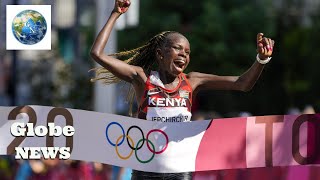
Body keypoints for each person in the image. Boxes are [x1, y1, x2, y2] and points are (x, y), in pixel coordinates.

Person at [90, 0, 275, 179]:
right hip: (145, 169)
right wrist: (115, 13)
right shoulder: (142, 78)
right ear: (160, 54)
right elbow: (97, 54)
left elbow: (243, 83)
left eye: (187, 53)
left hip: (179, 171)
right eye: (178, 49)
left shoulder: (193, 81)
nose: (183, 55)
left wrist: (261, 60)